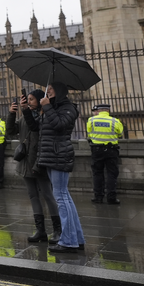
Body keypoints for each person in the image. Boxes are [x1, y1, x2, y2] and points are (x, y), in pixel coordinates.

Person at [37, 82, 85, 253]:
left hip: (59, 155)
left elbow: (60, 126)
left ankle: (69, 241)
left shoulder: (68, 108)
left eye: (51, 88)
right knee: (64, 197)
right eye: (47, 88)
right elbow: (41, 128)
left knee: (61, 197)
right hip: (51, 156)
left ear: (61, 91)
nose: (47, 90)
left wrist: (48, 108)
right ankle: (76, 238)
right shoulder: (54, 107)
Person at [10, 90, 61, 243]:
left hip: (39, 163)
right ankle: (40, 230)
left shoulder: (43, 117)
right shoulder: (25, 117)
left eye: (32, 99)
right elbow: (10, 131)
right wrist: (12, 114)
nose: (29, 102)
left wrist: (25, 110)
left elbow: (36, 129)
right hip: (26, 163)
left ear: (39, 101)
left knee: (48, 195)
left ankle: (58, 230)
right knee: (33, 196)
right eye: (28, 99)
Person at [87, 104, 123, 204]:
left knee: (97, 173)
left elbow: (89, 134)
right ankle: (111, 197)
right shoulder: (115, 121)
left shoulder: (91, 120)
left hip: (96, 150)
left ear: (99, 110)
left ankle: (98, 197)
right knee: (112, 173)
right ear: (108, 111)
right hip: (111, 150)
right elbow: (120, 133)